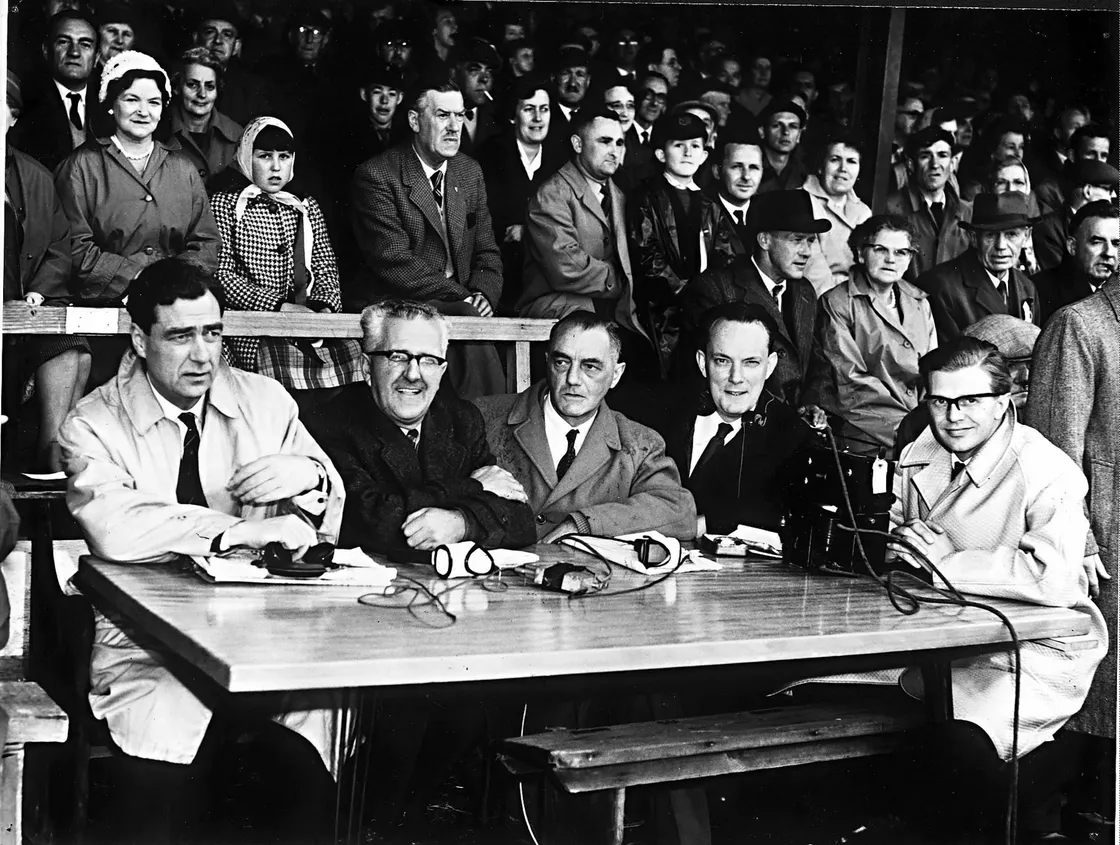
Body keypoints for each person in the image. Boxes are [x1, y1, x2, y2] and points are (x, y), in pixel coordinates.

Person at [58, 258, 345, 844]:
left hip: (266, 646)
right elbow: (116, 526)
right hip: (150, 653)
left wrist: (308, 475)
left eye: (213, 333)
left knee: (321, 761)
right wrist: (232, 530)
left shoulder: (265, 400)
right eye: (181, 336)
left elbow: (327, 506)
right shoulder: (91, 424)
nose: (203, 355)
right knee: (168, 788)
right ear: (138, 340)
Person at [890, 336, 1105, 843]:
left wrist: (948, 562)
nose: (952, 416)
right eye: (940, 401)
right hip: (945, 636)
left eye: (970, 401)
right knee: (802, 689)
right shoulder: (921, 451)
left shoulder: (1044, 467)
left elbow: (1051, 578)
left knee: (956, 742)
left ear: (1004, 402)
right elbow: (899, 529)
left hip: (1033, 651)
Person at [305, 299, 536, 560]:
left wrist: (461, 524)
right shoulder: (328, 420)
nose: (413, 374)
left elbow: (521, 520)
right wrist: (472, 487)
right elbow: (373, 522)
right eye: (398, 357)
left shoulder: (461, 419)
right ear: (367, 367)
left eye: (428, 360)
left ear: (441, 371)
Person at [54, 49, 221, 387]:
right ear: (111, 103)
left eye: (154, 102)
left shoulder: (183, 169)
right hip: (104, 324)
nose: (143, 111)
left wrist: (170, 285)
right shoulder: (82, 166)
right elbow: (74, 248)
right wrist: (139, 280)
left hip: (174, 316)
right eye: (132, 99)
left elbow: (205, 244)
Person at [475, 311, 697, 542]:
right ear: (547, 362)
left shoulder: (640, 444)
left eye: (590, 367)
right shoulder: (482, 419)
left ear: (615, 375)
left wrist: (583, 524)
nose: (573, 378)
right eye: (562, 362)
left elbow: (679, 512)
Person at [1029, 273, 1118, 839]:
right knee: (1098, 701)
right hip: (1105, 541)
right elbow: (1053, 449)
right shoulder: (1079, 324)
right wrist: (1079, 540)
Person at [351, 78, 505, 399]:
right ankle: (490, 418)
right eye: (442, 115)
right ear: (414, 120)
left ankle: (489, 417)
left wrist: (483, 294)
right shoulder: (378, 174)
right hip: (400, 304)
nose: (454, 127)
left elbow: (487, 251)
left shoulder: (469, 171)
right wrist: (463, 299)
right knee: (466, 320)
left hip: (462, 307)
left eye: (460, 116)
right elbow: (394, 260)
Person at [209, 117, 365, 412]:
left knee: (355, 365)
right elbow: (222, 275)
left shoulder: (305, 206)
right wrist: (279, 307)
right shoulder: (225, 204)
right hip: (253, 326)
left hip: (308, 324)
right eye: (265, 157)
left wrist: (325, 308)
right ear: (246, 157)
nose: (276, 167)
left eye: (284, 157)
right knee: (274, 387)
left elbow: (325, 266)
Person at [519, 107, 655, 376]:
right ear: (577, 144)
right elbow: (567, 269)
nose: (614, 150)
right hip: (556, 306)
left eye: (619, 142)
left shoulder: (619, 193)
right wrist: (624, 278)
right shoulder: (552, 193)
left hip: (608, 309)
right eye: (604, 141)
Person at [663, 303, 812, 535]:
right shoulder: (664, 413)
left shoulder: (791, 436)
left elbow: (777, 514)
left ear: (770, 365)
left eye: (751, 363)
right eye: (723, 361)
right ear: (703, 363)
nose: (736, 377)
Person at [4, 70, 89, 472]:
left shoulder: (35, 177)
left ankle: (51, 455)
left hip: (24, 309)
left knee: (73, 348)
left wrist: (39, 289)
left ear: (13, 117)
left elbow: (59, 245)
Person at [681, 189, 830, 410]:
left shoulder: (804, 290)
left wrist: (812, 405)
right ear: (764, 240)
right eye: (797, 240)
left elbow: (817, 362)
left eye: (811, 241)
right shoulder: (716, 289)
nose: (807, 251)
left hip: (797, 424)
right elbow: (708, 377)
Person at [815, 215, 936, 453]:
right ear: (861, 253)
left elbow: (934, 371)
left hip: (922, 424)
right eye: (881, 249)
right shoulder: (838, 303)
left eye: (902, 252)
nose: (891, 259)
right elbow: (851, 384)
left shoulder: (920, 302)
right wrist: (913, 430)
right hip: (868, 431)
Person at [630, 112, 735, 375]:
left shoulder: (711, 206)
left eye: (695, 146)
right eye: (679, 145)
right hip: (660, 313)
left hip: (705, 311)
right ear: (661, 154)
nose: (688, 153)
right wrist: (686, 294)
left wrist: (709, 295)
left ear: (704, 155)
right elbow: (647, 256)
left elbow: (726, 257)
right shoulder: (647, 198)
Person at [477, 76, 563, 312]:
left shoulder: (561, 159)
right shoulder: (490, 156)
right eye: (529, 109)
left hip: (547, 272)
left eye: (544, 110)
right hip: (501, 271)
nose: (537, 118)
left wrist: (527, 230)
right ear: (513, 115)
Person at [916, 192, 1040, 342]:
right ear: (974, 238)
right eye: (990, 235)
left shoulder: (1027, 287)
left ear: (1026, 237)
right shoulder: (941, 287)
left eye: (1011, 234)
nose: (1001, 246)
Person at [13, 10, 98, 172]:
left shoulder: (107, 103)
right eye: (64, 42)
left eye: (85, 44)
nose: (74, 52)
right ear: (46, 50)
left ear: (96, 56)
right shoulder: (26, 102)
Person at [886, 127, 973, 280]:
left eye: (942, 155)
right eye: (926, 156)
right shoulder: (892, 208)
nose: (935, 164)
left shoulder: (966, 212)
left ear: (952, 164)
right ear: (911, 164)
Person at [802, 136, 873, 295]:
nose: (843, 168)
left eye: (852, 161)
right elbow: (813, 271)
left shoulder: (863, 211)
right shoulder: (802, 202)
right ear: (821, 166)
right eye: (835, 160)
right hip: (821, 297)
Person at [163, 46, 242, 186]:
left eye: (210, 86)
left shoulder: (237, 135)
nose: (202, 94)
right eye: (192, 85)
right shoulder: (159, 131)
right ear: (176, 88)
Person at [1032, 200, 1118, 325]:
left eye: (1116, 244)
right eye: (1097, 242)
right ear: (1072, 246)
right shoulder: (1038, 291)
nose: (1109, 253)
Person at [1032, 159, 1119, 272]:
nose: (1113, 195)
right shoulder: (1048, 228)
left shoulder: (1111, 224)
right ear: (1088, 191)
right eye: (1108, 189)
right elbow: (1058, 276)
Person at [190, 6, 272, 126]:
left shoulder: (251, 89)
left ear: (236, 46)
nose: (218, 40)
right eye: (210, 32)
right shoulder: (176, 82)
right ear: (196, 39)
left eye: (227, 34)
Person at [705, 132, 764, 259]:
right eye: (736, 166)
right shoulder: (703, 214)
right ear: (717, 171)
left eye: (754, 167)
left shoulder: (769, 213)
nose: (746, 176)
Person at [1036, 122, 1110, 215]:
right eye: (1091, 154)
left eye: (1103, 155)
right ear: (1072, 156)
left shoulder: (1111, 189)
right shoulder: (1049, 191)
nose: (1098, 161)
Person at [452, 37, 501, 156]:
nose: (484, 79)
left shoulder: (498, 118)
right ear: (454, 73)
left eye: (489, 71)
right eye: (474, 70)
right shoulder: (437, 114)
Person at [756, 97, 809, 193]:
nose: (786, 132)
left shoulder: (804, 173)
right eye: (777, 125)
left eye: (793, 126)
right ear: (762, 132)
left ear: (799, 135)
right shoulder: (750, 166)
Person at [633, 71, 669, 147]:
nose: (654, 103)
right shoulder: (621, 133)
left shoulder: (663, 140)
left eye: (661, 98)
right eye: (648, 95)